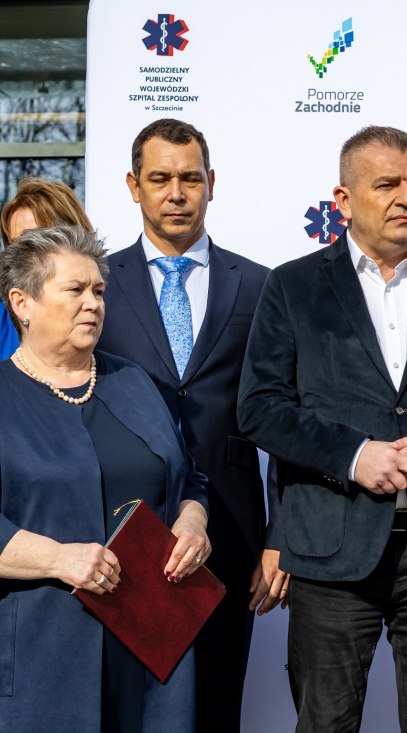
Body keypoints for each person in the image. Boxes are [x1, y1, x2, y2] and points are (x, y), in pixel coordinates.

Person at [237, 125, 407, 733]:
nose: (405, 198)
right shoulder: (293, 285)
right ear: (343, 199)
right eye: (387, 185)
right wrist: (353, 454)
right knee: (326, 722)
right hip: (330, 549)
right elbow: (260, 406)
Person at [94, 118, 273, 733]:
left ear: (211, 183)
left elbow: (285, 418)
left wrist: (278, 538)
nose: (177, 193)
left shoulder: (259, 285)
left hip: (231, 533)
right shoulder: (97, 285)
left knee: (218, 709)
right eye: (160, 179)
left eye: (190, 179)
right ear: (133, 186)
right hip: (119, 532)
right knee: (126, 711)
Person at [0, 224, 211, 732]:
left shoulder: (133, 380)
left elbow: (189, 480)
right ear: (22, 303)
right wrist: (58, 559)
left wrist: (193, 525)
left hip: (155, 642)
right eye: (74, 290)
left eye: (98, 290)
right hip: (45, 654)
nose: (92, 303)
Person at [0, 177, 95, 360]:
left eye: (42, 240)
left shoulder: (96, 311)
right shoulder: (3, 322)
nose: (28, 254)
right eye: (17, 244)